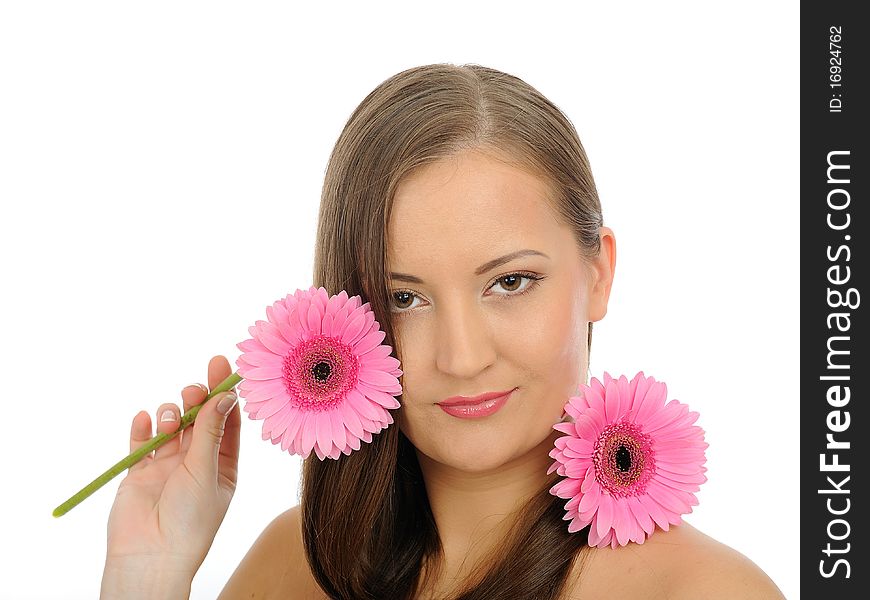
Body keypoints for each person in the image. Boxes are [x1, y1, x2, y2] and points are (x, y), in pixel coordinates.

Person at [100, 63, 786, 599]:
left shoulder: (706, 591)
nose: (462, 357)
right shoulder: (291, 567)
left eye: (510, 282)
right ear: (343, 324)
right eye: (404, 298)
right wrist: (148, 575)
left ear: (598, 273)